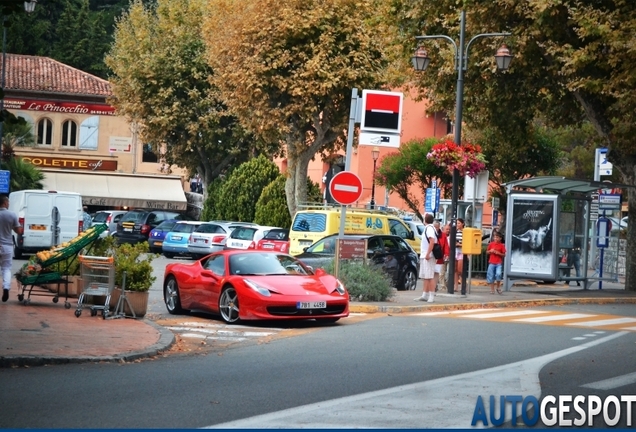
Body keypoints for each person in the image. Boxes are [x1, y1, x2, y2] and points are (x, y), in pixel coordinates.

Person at [0, 195, 23, 302]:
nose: (9, 204)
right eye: (8, 202)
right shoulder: (11, 215)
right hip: (7, 246)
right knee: (6, 269)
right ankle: (6, 288)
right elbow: (19, 231)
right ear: (4, 203)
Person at [415, 213, 437, 303]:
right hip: (425, 255)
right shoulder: (429, 228)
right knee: (425, 276)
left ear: (425, 220)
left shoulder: (430, 229)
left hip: (428, 256)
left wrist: (428, 254)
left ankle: (431, 296)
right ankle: (424, 295)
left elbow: (432, 241)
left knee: (430, 276)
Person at [433, 221, 449, 292]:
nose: (436, 228)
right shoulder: (431, 234)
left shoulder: (443, 235)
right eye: (435, 227)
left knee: (439, 272)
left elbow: (446, 245)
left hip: (440, 256)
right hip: (432, 256)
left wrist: (446, 254)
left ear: (439, 227)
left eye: (437, 227)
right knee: (433, 272)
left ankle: (438, 286)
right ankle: (434, 286)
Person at [437, 223, 451, 291]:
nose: (448, 230)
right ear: (443, 229)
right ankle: (443, 286)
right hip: (443, 257)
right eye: (447, 229)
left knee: (449, 273)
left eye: (449, 229)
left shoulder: (452, 236)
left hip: (450, 257)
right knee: (441, 273)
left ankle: (448, 285)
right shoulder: (441, 236)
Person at [454, 218, 465, 293]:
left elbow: (467, 242)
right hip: (456, 251)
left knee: (460, 270)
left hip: (461, 251)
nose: (457, 225)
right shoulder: (455, 232)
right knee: (455, 270)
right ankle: (456, 286)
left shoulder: (465, 232)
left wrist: (460, 244)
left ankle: (463, 285)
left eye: (459, 223)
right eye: (457, 223)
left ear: (462, 224)